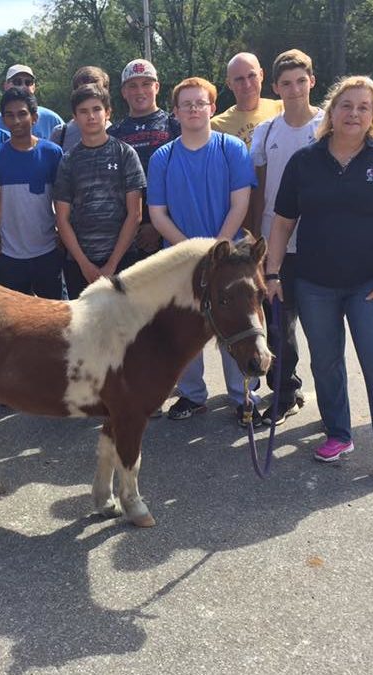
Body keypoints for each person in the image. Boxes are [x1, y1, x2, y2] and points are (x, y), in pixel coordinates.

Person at [264, 76, 373, 491]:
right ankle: (339, 435)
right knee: (326, 363)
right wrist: (273, 272)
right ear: (331, 111)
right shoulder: (305, 161)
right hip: (315, 284)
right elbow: (282, 224)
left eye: (363, 107)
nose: (354, 113)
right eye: (346, 105)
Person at [147, 77, 260, 425]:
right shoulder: (162, 157)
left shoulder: (231, 149)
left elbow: (240, 203)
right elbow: (157, 214)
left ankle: (244, 395)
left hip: (229, 258)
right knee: (185, 330)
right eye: (186, 104)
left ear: (212, 107)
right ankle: (193, 395)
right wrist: (192, 251)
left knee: (238, 324)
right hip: (181, 260)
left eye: (200, 103)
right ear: (176, 111)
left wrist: (218, 251)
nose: (194, 109)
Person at [249, 49, 323, 426]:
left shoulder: (328, 125)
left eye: (300, 81)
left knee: (322, 328)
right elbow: (259, 190)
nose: (294, 89)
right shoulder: (265, 132)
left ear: (312, 81)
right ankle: (284, 393)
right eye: (286, 83)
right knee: (278, 327)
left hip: (320, 246)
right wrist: (256, 243)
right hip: (276, 246)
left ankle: (332, 402)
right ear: (275, 87)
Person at [53, 84, 145, 299]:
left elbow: (135, 214)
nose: (91, 116)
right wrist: (85, 265)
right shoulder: (68, 161)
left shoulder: (125, 154)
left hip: (123, 262)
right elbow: (62, 218)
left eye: (96, 109)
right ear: (75, 117)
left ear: (108, 113)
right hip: (79, 265)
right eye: (83, 111)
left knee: (126, 329)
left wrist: (111, 265)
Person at [0, 87, 65, 299]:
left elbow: (63, 202)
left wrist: (62, 243)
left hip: (47, 253)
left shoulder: (52, 153)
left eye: (22, 114)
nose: (16, 121)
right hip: (10, 257)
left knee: (51, 320)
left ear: (34, 117)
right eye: (9, 115)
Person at [109, 58, 181, 260]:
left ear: (157, 87)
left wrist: (159, 225)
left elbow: (182, 181)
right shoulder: (113, 133)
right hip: (126, 236)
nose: (140, 91)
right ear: (123, 92)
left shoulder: (175, 127)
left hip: (170, 231)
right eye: (133, 85)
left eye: (146, 84)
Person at [210, 52, 283, 148]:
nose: (247, 84)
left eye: (252, 76)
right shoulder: (216, 127)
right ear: (229, 84)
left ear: (261, 75)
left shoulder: (283, 108)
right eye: (239, 79)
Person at [0, 65, 64, 140]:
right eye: (17, 82)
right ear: (6, 86)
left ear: (34, 87)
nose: (23, 86)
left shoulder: (52, 120)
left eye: (28, 82)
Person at [50, 66, 111, 152]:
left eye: (96, 90)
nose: (90, 95)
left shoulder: (117, 132)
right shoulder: (60, 135)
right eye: (84, 91)